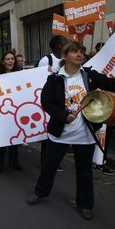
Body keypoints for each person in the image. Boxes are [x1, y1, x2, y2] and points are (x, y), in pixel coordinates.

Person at [26, 42, 115, 220]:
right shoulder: (54, 79)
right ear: (65, 56)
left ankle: (85, 204)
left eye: (82, 52)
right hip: (60, 133)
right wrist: (62, 115)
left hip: (85, 134)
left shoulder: (90, 75)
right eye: (75, 51)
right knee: (49, 165)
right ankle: (40, 192)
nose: (80, 54)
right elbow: (46, 102)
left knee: (84, 171)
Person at [37, 35, 67, 171]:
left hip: (61, 102)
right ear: (58, 45)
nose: (66, 44)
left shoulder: (66, 60)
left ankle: (53, 160)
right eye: (64, 43)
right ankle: (45, 160)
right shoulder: (46, 60)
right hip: (48, 102)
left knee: (56, 133)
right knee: (47, 132)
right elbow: (38, 80)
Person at [0, 51, 23, 172]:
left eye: (12, 59)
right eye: (7, 59)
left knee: (15, 138)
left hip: (15, 110)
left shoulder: (20, 75)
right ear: (3, 62)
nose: (10, 61)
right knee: (2, 139)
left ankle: (14, 162)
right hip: (2, 111)